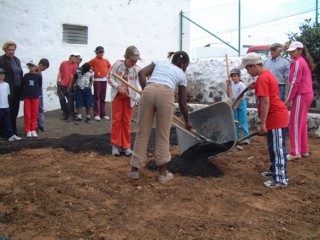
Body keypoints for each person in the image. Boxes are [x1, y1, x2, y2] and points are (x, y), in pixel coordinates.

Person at [129, 51, 192, 184]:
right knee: (163, 134)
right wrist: (187, 121)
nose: (186, 68)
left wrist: (146, 90)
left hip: (149, 90)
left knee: (142, 132)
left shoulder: (160, 62)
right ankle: (163, 174)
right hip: (165, 93)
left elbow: (141, 73)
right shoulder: (181, 74)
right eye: (187, 65)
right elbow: (182, 102)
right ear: (183, 63)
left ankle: (134, 171)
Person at [239, 52, 289, 188]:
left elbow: (265, 102)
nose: (247, 71)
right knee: (273, 147)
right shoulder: (265, 76)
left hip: (276, 117)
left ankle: (280, 179)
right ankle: (274, 171)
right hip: (274, 116)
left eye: (247, 69)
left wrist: (262, 123)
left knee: (278, 149)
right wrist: (254, 85)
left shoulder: (262, 79)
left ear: (254, 66)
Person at [108, 46, 141, 156]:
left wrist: (142, 95)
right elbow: (109, 77)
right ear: (126, 57)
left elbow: (142, 82)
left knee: (126, 121)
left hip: (129, 98)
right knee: (117, 121)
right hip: (117, 96)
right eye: (132, 60)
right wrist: (118, 86)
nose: (134, 62)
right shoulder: (118, 65)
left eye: (135, 60)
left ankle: (126, 146)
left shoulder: (137, 69)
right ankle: (115, 145)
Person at [285, 41, 315, 160]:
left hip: (301, 94)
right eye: (290, 51)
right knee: (301, 122)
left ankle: (295, 151)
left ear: (300, 51)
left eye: (293, 51)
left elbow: (294, 83)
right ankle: (303, 149)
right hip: (306, 94)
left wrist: (288, 99)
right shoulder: (303, 61)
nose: (291, 53)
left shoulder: (298, 63)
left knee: (294, 123)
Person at [0, 41, 23, 135]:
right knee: (6, 111)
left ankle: (13, 129)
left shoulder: (16, 59)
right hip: (8, 90)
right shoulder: (1, 60)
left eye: (13, 49)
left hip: (17, 89)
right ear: (5, 50)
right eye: (9, 50)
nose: (11, 51)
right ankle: (5, 131)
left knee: (15, 110)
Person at [226, 68, 250, 143]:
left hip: (241, 102)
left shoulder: (241, 85)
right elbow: (229, 94)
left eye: (235, 76)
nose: (233, 77)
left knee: (243, 120)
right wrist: (227, 86)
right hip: (233, 101)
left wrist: (237, 105)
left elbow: (241, 96)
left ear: (239, 77)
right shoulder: (231, 84)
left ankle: (247, 138)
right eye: (232, 76)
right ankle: (237, 137)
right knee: (235, 121)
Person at [89, 46, 112, 121]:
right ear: (96, 53)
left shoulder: (105, 60)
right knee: (96, 97)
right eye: (100, 52)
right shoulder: (94, 60)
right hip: (97, 80)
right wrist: (94, 70)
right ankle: (96, 114)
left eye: (102, 52)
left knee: (103, 98)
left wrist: (107, 71)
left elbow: (110, 67)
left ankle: (103, 114)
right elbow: (87, 65)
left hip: (104, 80)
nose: (102, 53)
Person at [0, 67, 21, 141]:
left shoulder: (6, 85)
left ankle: (10, 135)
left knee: (7, 122)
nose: (2, 75)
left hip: (6, 106)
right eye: (0, 74)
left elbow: (7, 95)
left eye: (3, 74)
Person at [57, 53, 80, 121]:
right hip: (61, 84)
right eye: (75, 57)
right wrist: (58, 80)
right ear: (70, 57)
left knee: (70, 101)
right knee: (62, 100)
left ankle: (71, 115)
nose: (76, 58)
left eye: (77, 57)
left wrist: (70, 85)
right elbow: (60, 72)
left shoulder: (75, 65)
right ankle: (65, 113)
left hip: (69, 85)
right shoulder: (63, 63)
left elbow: (72, 76)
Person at [22, 61, 42, 138]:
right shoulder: (26, 76)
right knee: (27, 113)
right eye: (29, 66)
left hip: (35, 96)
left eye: (32, 66)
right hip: (27, 96)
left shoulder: (38, 76)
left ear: (35, 67)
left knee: (35, 113)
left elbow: (39, 85)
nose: (31, 67)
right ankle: (28, 130)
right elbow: (24, 85)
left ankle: (33, 129)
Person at [36, 58, 50, 132]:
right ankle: (36, 125)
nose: (45, 69)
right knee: (36, 110)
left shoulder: (39, 71)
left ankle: (40, 124)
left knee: (40, 109)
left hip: (39, 93)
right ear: (41, 65)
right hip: (36, 94)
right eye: (45, 68)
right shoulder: (35, 71)